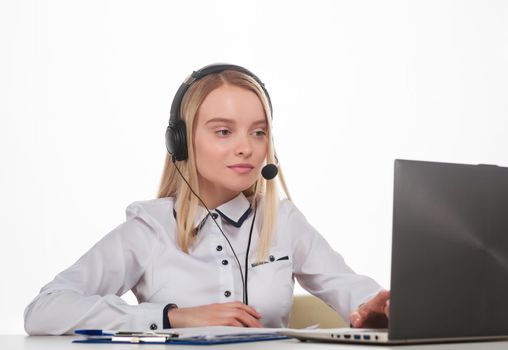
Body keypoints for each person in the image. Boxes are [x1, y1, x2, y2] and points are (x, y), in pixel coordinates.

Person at [24, 64, 389, 335]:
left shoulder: (282, 221)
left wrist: (375, 309)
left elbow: (353, 289)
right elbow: (44, 310)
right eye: (224, 131)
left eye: (258, 132)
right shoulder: (150, 229)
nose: (246, 147)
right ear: (180, 142)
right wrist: (171, 317)